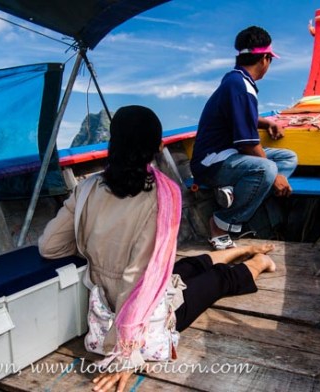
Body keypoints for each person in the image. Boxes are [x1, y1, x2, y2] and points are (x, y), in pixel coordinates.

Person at [38, 105, 277, 392]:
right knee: (216, 281)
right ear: (158, 147)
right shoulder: (163, 197)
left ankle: (238, 252)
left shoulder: (86, 188)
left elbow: (50, 247)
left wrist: (96, 246)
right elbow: (136, 281)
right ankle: (256, 261)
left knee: (183, 270)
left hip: (115, 290)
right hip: (140, 306)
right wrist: (126, 354)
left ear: (113, 145)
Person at [190, 26, 298, 250]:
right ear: (266, 59)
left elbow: (240, 117)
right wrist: (275, 175)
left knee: (288, 158)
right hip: (212, 163)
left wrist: (266, 122)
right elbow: (248, 144)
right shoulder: (240, 87)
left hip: (230, 157)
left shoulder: (236, 81)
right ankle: (222, 222)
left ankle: (237, 193)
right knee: (268, 169)